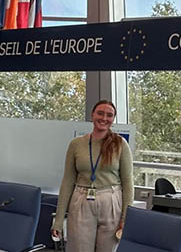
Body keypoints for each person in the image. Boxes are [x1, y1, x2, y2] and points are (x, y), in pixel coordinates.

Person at [51, 100, 134, 252]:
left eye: (109, 115)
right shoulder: (76, 144)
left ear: (113, 119)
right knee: (78, 248)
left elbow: (128, 183)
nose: (104, 118)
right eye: (100, 113)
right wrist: (58, 219)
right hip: (81, 199)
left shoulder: (120, 144)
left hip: (111, 200)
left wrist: (125, 218)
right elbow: (68, 181)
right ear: (92, 115)